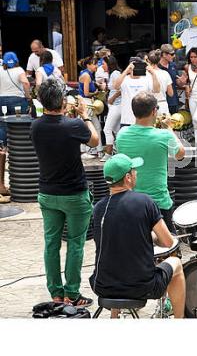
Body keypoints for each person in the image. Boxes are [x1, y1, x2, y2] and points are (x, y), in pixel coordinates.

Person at [90, 154, 185, 318]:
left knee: (116, 261)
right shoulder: (145, 202)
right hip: (142, 287)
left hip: (101, 285)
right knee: (176, 263)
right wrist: (152, 238)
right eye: (134, 171)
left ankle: (115, 317)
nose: (136, 174)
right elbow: (168, 241)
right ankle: (179, 319)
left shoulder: (98, 208)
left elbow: (107, 239)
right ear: (127, 177)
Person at [31, 79, 99, 306]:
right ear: (61, 100)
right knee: (76, 243)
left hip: (47, 193)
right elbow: (95, 140)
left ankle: (56, 293)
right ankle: (73, 293)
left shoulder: (35, 126)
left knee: (51, 243)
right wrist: (85, 115)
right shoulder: (74, 125)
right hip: (74, 193)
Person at [115, 92, 185, 232]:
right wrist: (170, 130)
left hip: (130, 202)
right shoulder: (164, 135)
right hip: (158, 203)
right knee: (167, 248)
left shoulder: (122, 133)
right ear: (154, 111)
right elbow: (180, 155)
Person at [0, 52, 31, 199]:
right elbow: (25, 82)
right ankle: (18, 151)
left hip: (1, 102)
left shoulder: (0, 70)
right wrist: (28, 96)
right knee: (20, 131)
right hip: (18, 101)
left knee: (2, 133)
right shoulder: (19, 70)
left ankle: (3, 149)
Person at [113, 57, 161, 127]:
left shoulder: (146, 79)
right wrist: (126, 71)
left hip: (144, 119)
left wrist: (153, 73)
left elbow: (157, 90)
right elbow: (115, 87)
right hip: (127, 119)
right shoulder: (124, 79)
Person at [78, 56, 104, 159]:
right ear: (88, 65)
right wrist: (96, 93)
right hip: (86, 103)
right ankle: (83, 151)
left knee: (97, 126)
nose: (96, 66)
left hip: (89, 103)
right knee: (86, 126)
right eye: (94, 64)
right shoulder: (86, 75)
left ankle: (99, 149)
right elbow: (86, 93)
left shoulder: (87, 74)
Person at [101, 56, 122, 162]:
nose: (102, 66)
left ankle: (108, 153)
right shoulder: (112, 74)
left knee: (107, 129)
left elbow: (121, 88)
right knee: (116, 130)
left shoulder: (115, 74)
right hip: (114, 105)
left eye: (103, 63)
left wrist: (112, 98)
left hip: (116, 105)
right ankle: (118, 152)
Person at [158, 44, 186, 114]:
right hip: (160, 101)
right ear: (164, 54)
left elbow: (177, 82)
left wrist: (182, 82)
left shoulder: (173, 65)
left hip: (173, 100)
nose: (174, 56)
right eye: (172, 54)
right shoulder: (156, 67)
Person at [147, 50, 174, 115]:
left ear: (148, 60)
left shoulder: (145, 74)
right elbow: (171, 93)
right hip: (163, 105)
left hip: (148, 105)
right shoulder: (165, 73)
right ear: (159, 60)